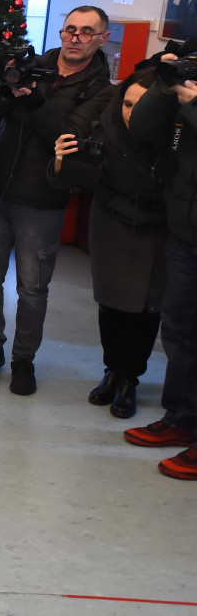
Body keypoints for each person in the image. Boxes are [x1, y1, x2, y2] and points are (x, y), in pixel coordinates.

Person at [0, 5, 112, 395]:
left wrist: (32, 100)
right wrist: (7, 90)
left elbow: (67, 137)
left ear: (102, 38)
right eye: (70, 29)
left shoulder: (101, 90)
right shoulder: (33, 66)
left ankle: (23, 360)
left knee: (32, 289)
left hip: (43, 199)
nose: (75, 38)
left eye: (86, 32)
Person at [48, 68, 166, 419]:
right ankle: (113, 370)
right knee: (112, 303)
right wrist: (61, 161)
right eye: (127, 104)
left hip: (157, 229)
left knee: (146, 308)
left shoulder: (174, 138)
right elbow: (76, 178)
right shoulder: (105, 129)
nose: (132, 113)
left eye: (142, 105)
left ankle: (130, 378)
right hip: (112, 224)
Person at [122, 53, 197, 480]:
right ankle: (181, 418)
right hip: (184, 231)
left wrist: (194, 105)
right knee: (179, 332)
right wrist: (166, 82)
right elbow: (143, 127)